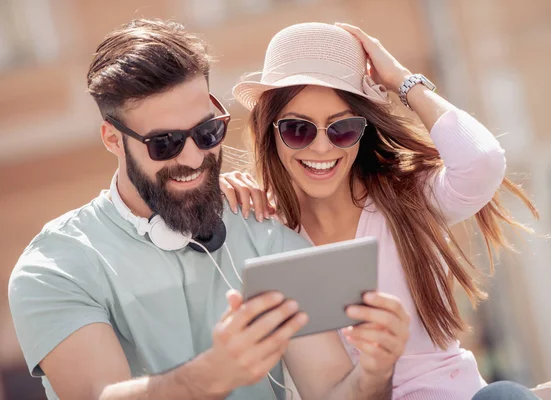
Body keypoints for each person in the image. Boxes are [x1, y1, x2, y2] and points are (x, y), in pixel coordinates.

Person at [7, 19, 411, 400]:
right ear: (113, 139)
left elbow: (331, 391)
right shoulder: (55, 267)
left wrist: (375, 374)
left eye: (207, 133)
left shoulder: (268, 234)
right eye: (164, 143)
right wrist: (213, 374)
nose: (194, 157)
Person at [222, 22, 541, 399]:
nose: (322, 148)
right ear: (269, 130)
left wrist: (402, 80)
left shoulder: (408, 199)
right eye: (297, 129)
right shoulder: (265, 231)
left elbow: (482, 162)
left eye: (342, 129)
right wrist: (221, 191)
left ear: (365, 129)